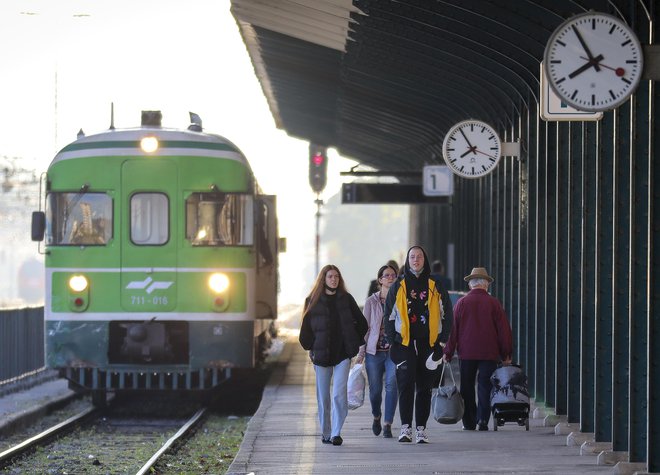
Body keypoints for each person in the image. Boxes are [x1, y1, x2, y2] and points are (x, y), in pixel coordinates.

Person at [383, 245, 453, 444]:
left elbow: (447, 315)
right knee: (405, 384)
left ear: (425, 260)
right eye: (412, 257)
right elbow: (388, 317)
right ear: (407, 260)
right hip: (404, 344)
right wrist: (392, 343)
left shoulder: (435, 285)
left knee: (424, 387)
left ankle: (421, 429)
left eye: (419, 257)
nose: (416, 260)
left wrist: (441, 340)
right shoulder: (399, 286)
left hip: (428, 344)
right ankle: (405, 428)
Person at [299, 265, 368, 446]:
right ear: (323, 279)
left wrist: (355, 341)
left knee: (338, 394)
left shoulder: (346, 299)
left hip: (342, 355)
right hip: (321, 357)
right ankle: (326, 432)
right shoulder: (312, 300)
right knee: (323, 397)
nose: (334, 280)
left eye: (336, 276)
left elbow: (362, 323)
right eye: (330, 277)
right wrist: (310, 346)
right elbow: (305, 328)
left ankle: (336, 432)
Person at [439, 267, 513, 431]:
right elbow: (504, 330)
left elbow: (453, 330)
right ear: (486, 284)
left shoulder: (461, 303)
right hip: (489, 352)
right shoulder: (494, 303)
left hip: (467, 352)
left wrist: (448, 352)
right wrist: (506, 353)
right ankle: (483, 420)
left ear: (471, 285)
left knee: (466, 386)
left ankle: (469, 421)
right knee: (485, 385)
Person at [356, 264, 399, 438]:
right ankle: (376, 416)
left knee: (391, 385)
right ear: (380, 280)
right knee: (375, 390)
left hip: (393, 352)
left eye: (393, 275)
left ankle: (388, 423)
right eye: (386, 275)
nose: (390, 278)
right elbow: (364, 328)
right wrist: (360, 353)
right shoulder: (371, 302)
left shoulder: (400, 300)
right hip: (374, 352)